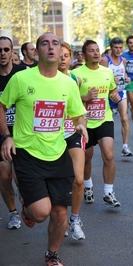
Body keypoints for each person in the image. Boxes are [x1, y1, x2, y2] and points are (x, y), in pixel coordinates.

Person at [0, 32, 88, 265]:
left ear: (61, 51)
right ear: (37, 51)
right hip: (28, 153)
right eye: (45, 43)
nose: (51, 47)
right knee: (40, 213)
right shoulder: (21, 79)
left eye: (55, 43)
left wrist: (81, 125)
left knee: (59, 213)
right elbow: (1, 104)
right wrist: (6, 136)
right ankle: (27, 207)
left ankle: (52, 255)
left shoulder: (68, 84)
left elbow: (78, 113)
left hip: (58, 153)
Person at [72, 39, 122, 208]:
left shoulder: (107, 72)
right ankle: (87, 187)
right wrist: (84, 98)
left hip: (104, 119)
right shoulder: (77, 74)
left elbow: (113, 89)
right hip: (84, 122)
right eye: (91, 50)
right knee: (87, 157)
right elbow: (68, 98)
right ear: (84, 54)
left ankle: (109, 192)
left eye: (97, 50)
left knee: (109, 155)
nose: (95, 53)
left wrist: (114, 95)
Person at [58, 41, 87, 240]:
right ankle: (57, 220)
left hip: (72, 133)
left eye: (66, 55)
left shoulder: (75, 79)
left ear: (71, 58)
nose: (62, 58)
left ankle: (75, 219)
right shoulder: (41, 78)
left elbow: (78, 108)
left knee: (78, 179)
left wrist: (82, 123)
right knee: (59, 182)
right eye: (59, 54)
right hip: (49, 137)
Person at [0, 36, 25, 230]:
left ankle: (26, 205)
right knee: (4, 176)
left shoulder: (22, 74)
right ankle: (13, 212)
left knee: (22, 177)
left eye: (6, 50)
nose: (2, 53)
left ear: (12, 52)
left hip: (23, 133)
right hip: (2, 134)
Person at [99, 37, 132, 156]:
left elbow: (125, 74)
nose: (118, 50)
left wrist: (127, 79)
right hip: (107, 94)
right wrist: (110, 79)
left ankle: (125, 146)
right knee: (103, 120)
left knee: (124, 118)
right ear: (111, 48)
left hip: (121, 92)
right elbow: (98, 77)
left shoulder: (123, 60)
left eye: (120, 47)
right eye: (116, 48)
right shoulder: (104, 60)